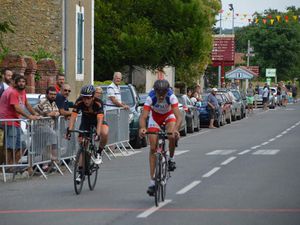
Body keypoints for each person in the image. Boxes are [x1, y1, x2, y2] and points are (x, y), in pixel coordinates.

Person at [139, 79, 182, 196]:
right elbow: (143, 116)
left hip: (169, 116)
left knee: (172, 135)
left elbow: (179, 116)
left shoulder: (172, 97)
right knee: (153, 148)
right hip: (155, 118)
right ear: (155, 91)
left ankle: (171, 159)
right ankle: (152, 181)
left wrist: (176, 130)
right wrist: (142, 128)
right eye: (159, 94)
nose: (162, 97)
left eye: (164, 94)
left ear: (167, 92)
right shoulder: (150, 97)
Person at [66, 85, 109, 182]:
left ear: (93, 97)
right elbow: (73, 116)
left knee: (104, 132)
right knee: (83, 144)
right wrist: (69, 130)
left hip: (97, 120)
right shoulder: (79, 101)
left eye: (88, 98)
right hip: (86, 121)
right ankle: (81, 172)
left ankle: (99, 152)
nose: (86, 100)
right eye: (84, 97)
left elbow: (100, 119)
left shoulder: (98, 103)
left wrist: (97, 133)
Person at [0, 75, 40, 168]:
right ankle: (8, 167)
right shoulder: (12, 92)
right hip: (9, 121)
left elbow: (27, 104)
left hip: (16, 121)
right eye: (19, 81)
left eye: (23, 81)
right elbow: (17, 108)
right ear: (15, 83)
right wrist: (29, 116)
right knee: (10, 146)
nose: (21, 83)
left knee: (22, 146)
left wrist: (35, 114)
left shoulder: (22, 91)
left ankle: (12, 165)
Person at [34, 86, 60, 168]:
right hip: (41, 126)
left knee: (48, 144)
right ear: (47, 94)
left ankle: (46, 165)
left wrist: (55, 113)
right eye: (51, 94)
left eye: (54, 94)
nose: (53, 96)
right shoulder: (44, 101)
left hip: (49, 126)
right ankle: (53, 159)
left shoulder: (53, 102)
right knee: (53, 136)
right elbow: (48, 113)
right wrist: (54, 113)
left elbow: (57, 112)